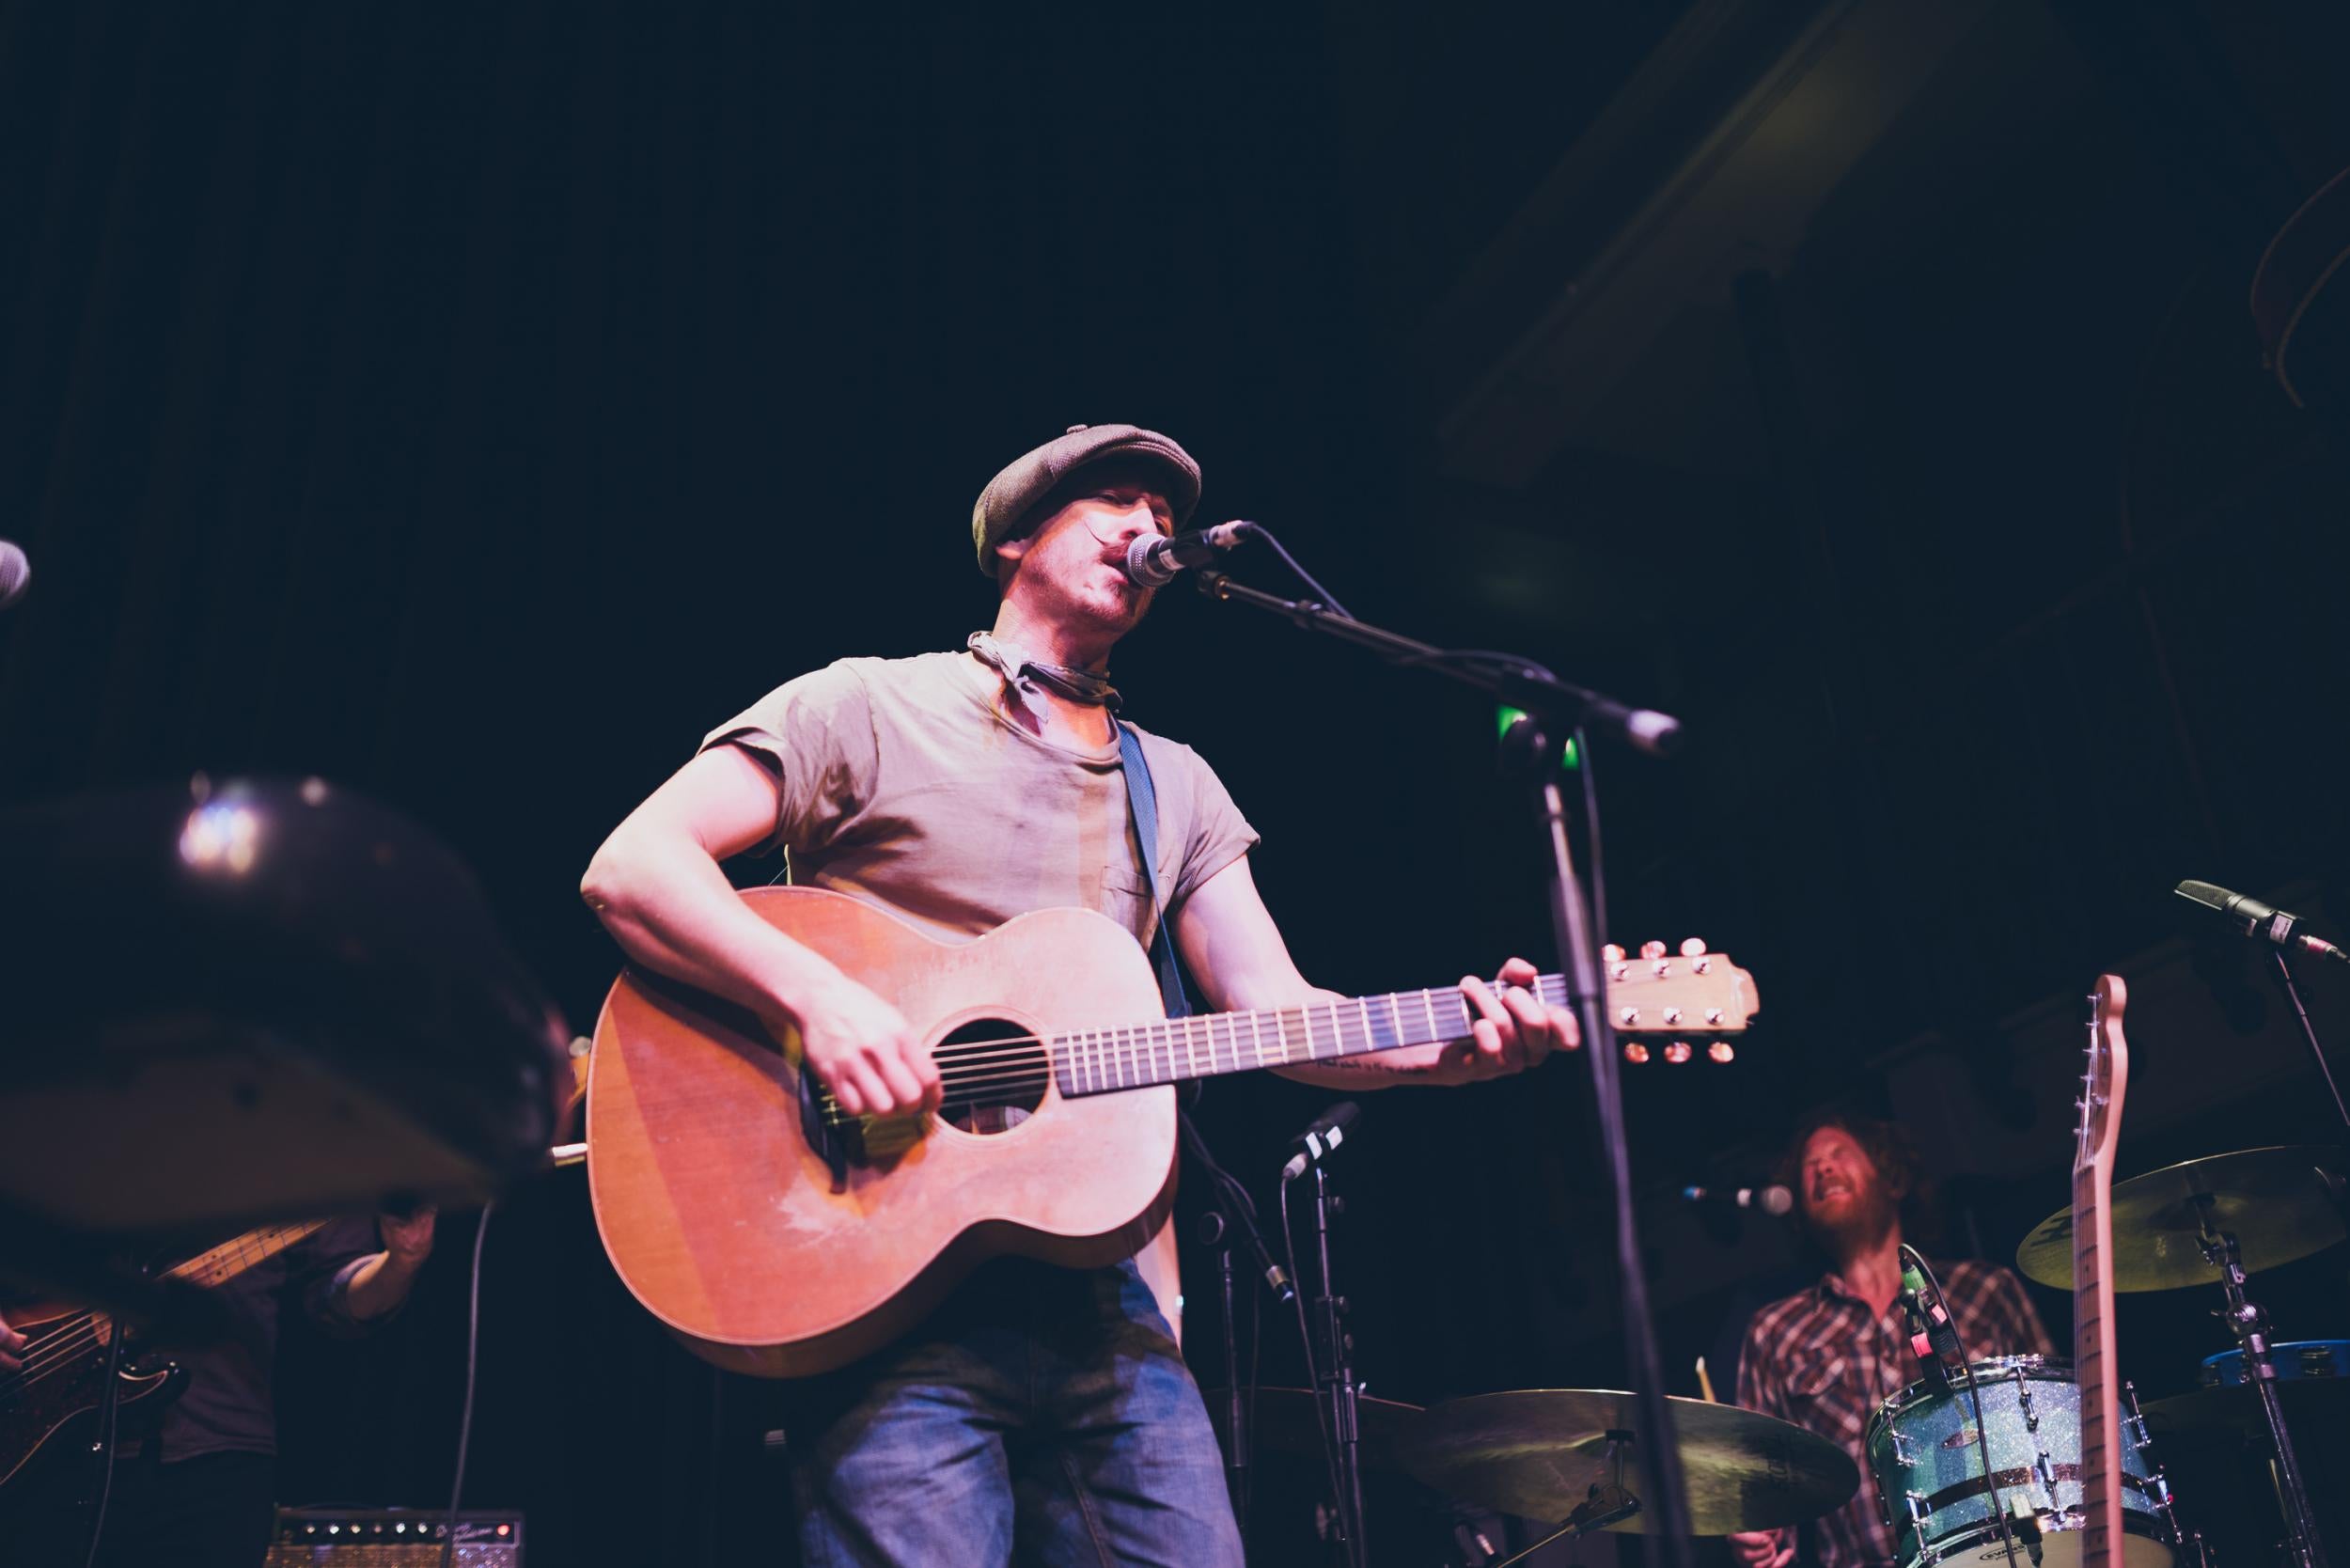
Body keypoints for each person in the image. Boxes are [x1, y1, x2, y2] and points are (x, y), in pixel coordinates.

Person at [579, 422, 1578, 1565]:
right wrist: (822, 1000)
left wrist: (1453, 1049)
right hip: (876, 1281)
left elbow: (1274, 1011)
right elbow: (633, 866)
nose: (1149, 530)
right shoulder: (864, 706)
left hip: (1107, 1309)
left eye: (1163, 518)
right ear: (1013, 540)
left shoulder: (1176, 785)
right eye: (1113, 501)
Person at [0, 1209, 434, 1568]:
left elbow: (337, 1297)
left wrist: (400, 1261)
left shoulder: (296, 1141)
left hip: (219, 1450)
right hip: (42, 1444)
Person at [1729, 1113, 2052, 1568]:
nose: (1822, 1168)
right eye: (1810, 1164)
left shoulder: (1985, 1290)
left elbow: (2059, 1424)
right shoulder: (1775, 1331)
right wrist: (1754, 1529)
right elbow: (1758, 1483)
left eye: (1840, 1155)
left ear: (1892, 1178)